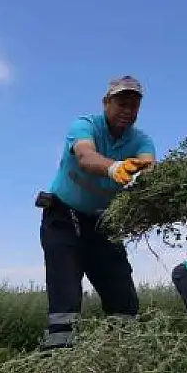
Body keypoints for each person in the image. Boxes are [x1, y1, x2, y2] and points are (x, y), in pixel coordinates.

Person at [36, 76, 156, 351]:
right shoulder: (85, 125)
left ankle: (121, 356)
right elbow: (86, 156)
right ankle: (56, 359)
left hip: (105, 223)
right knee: (65, 293)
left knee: (123, 297)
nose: (127, 110)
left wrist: (150, 179)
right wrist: (115, 168)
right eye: (121, 103)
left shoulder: (141, 140)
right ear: (106, 103)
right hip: (63, 217)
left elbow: (150, 168)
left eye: (134, 106)